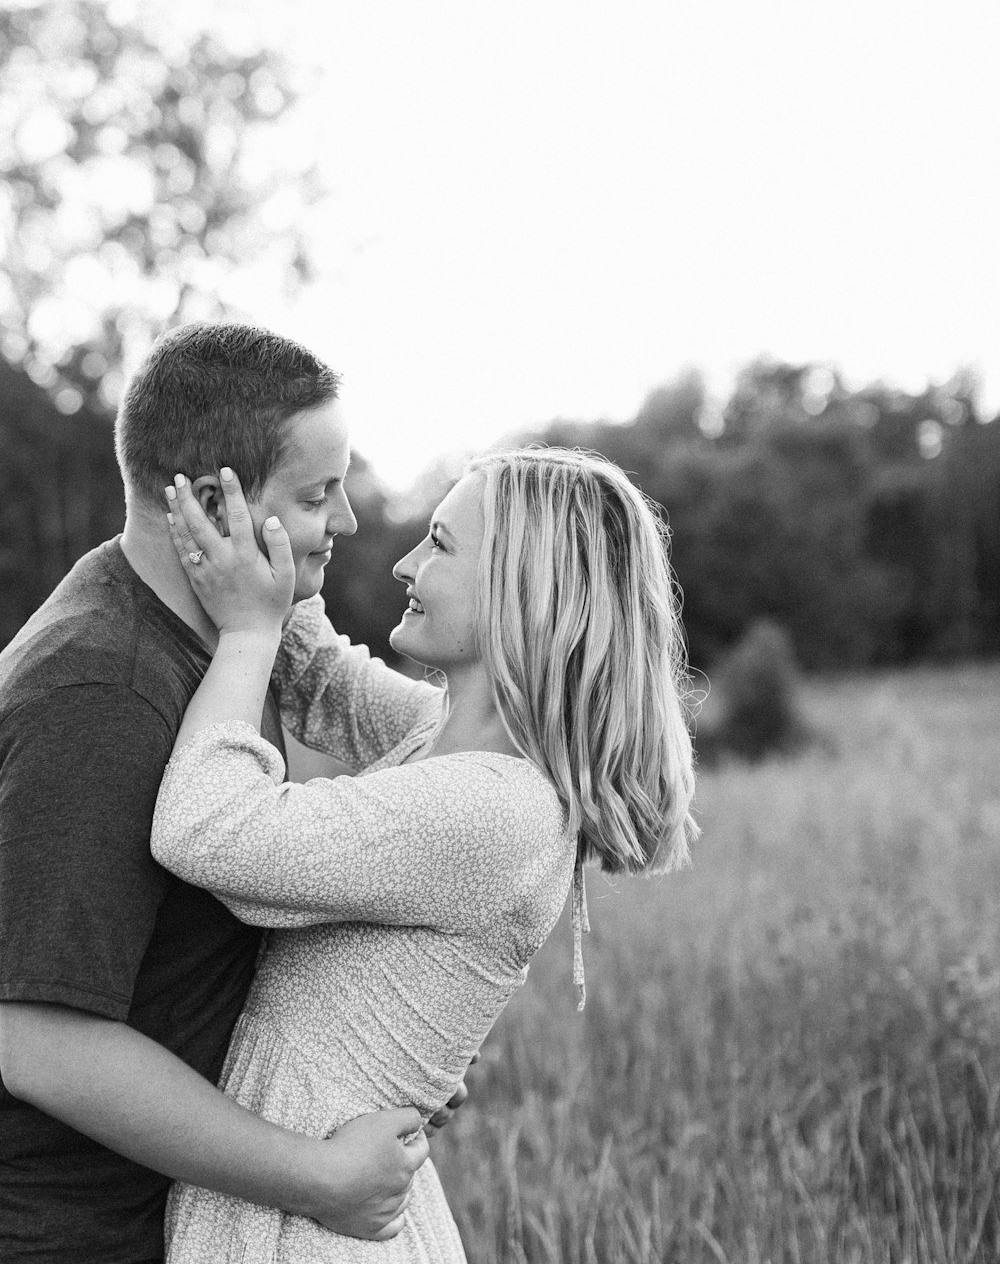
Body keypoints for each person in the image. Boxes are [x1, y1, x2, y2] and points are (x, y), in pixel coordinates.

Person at [150, 443, 699, 1261]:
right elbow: (322, 677)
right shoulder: (439, 733)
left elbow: (203, 827)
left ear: (525, 589)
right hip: (310, 1176)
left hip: (310, 1226)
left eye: (439, 544)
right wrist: (268, 521)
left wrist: (245, 632)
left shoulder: (495, 808)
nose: (405, 563)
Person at [0, 323, 458, 1263]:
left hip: (166, 1214)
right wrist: (317, 1174)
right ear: (216, 503)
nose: (349, 522)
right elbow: (41, 1039)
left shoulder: (212, 640)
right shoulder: (103, 688)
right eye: (317, 495)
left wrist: (367, 1061)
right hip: (74, 1235)